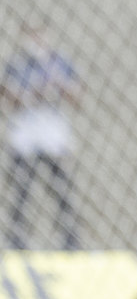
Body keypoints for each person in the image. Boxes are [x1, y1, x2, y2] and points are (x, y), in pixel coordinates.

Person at [1, 22, 81, 250]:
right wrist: (30, 94)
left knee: (62, 193)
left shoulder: (59, 62)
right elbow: (7, 95)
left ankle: (70, 242)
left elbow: (76, 95)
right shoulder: (16, 65)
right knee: (21, 193)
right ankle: (17, 242)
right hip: (26, 137)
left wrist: (58, 85)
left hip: (53, 136)